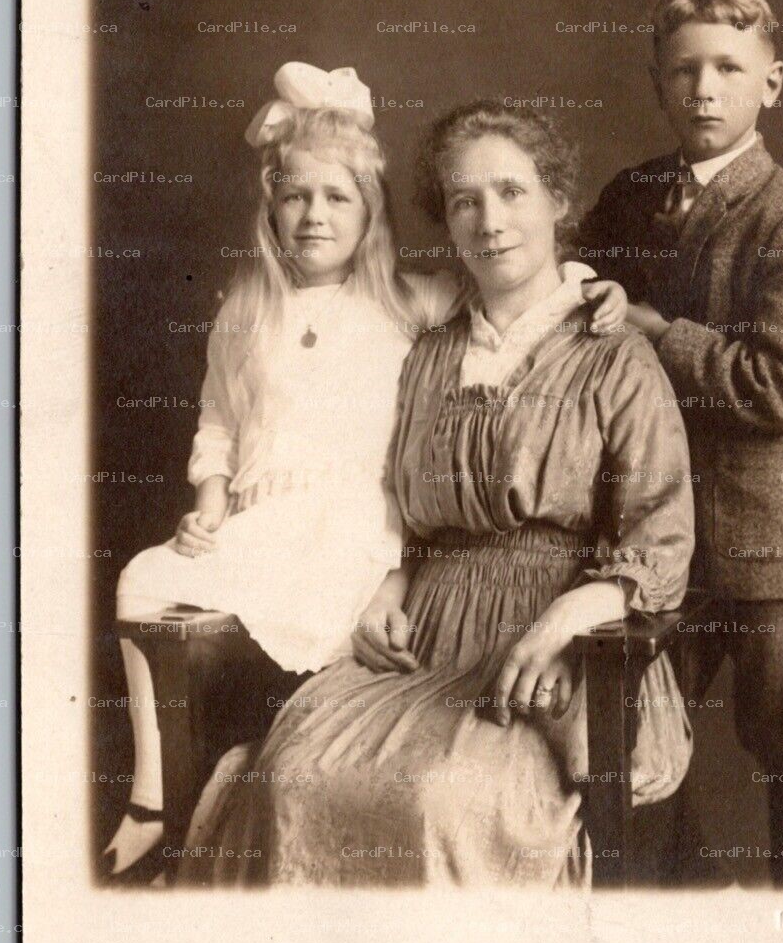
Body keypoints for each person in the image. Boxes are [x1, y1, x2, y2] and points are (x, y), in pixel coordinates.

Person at [106, 66, 626, 882]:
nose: (313, 215)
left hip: (360, 538)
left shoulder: (405, 300)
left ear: (370, 211)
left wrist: (587, 285)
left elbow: (509, 289)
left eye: (336, 198)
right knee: (143, 581)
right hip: (262, 522)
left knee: (351, 704)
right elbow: (218, 420)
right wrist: (208, 502)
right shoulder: (244, 311)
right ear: (270, 208)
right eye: (295, 197)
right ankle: (152, 797)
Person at [578, 0, 783, 886]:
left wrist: (657, 332)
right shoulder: (630, 195)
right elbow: (568, 284)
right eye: (684, 69)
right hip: (665, 524)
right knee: (637, 726)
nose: (704, 89)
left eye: (729, 69)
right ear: (657, 81)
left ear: (769, 83)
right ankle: (679, 906)